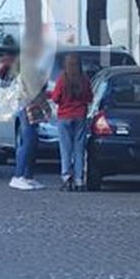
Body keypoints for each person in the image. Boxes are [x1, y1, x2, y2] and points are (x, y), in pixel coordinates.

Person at [49, 53, 92, 191]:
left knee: (65, 149)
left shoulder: (63, 79)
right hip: (80, 115)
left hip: (65, 116)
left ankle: (67, 177)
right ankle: (79, 180)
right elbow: (90, 97)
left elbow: (56, 98)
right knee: (79, 149)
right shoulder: (84, 79)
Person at [9, 40, 47, 192]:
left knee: (32, 141)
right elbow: (34, 91)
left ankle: (28, 176)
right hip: (27, 107)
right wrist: (45, 106)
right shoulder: (28, 69)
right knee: (29, 141)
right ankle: (19, 176)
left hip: (30, 106)